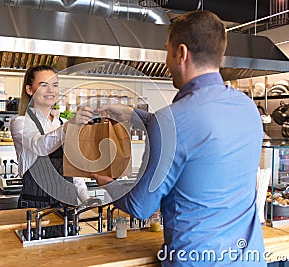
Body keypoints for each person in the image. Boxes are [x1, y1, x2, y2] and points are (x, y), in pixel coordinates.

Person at [92, 10, 266, 266]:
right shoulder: (247, 108)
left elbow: (141, 207)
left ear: (181, 53)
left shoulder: (171, 121)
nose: (166, 61)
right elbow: (198, 135)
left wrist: (106, 182)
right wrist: (131, 114)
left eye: (167, 50)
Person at [10, 65, 95, 221]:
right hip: (35, 209)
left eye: (55, 85)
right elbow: (41, 146)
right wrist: (70, 126)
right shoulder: (20, 123)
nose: (51, 90)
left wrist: (85, 198)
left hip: (67, 207)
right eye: (44, 84)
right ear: (30, 90)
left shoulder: (61, 123)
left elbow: (72, 170)